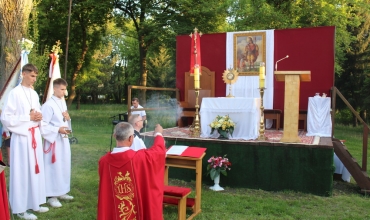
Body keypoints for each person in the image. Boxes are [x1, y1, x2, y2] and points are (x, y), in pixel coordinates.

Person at [0, 63, 49, 219]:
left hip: (34, 137)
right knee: (22, 172)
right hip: (22, 139)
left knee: (35, 170)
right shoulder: (15, 93)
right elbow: (6, 118)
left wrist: (39, 116)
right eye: (32, 76)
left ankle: (35, 202)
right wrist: (28, 118)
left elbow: (37, 112)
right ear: (24, 74)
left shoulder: (33, 94)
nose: (35, 79)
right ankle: (20, 208)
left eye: (36, 76)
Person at [97, 122, 166, 220]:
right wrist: (158, 134)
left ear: (114, 136)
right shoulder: (140, 158)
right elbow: (158, 152)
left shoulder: (103, 162)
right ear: (131, 138)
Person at [40, 78, 73, 208]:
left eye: (65, 89)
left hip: (63, 140)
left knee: (64, 165)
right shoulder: (48, 105)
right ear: (55, 88)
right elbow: (43, 125)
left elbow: (63, 120)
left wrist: (68, 120)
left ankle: (62, 191)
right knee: (53, 167)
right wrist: (57, 130)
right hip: (53, 141)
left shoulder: (62, 102)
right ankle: (51, 195)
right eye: (62, 89)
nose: (65, 92)